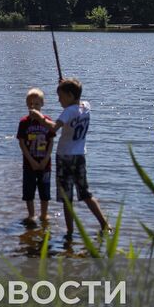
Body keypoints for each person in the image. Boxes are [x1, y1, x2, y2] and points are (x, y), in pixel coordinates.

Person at [29, 76, 108, 239]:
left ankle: (70, 232)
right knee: (86, 194)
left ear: (71, 96)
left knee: (67, 198)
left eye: (61, 97)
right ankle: (105, 224)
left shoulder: (68, 111)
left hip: (65, 158)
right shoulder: (86, 106)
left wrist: (39, 117)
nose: (59, 100)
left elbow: (53, 128)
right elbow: (77, 98)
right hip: (80, 156)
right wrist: (65, 85)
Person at [16, 87, 54, 225]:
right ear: (27, 105)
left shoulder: (47, 121)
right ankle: (31, 215)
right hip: (29, 163)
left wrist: (45, 159)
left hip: (45, 164)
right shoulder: (24, 122)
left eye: (37, 104)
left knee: (45, 191)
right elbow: (22, 143)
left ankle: (44, 214)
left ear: (42, 104)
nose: (34, 107)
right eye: (31, 104)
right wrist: (31, 160)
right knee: (29, 191)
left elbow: (51, 142)